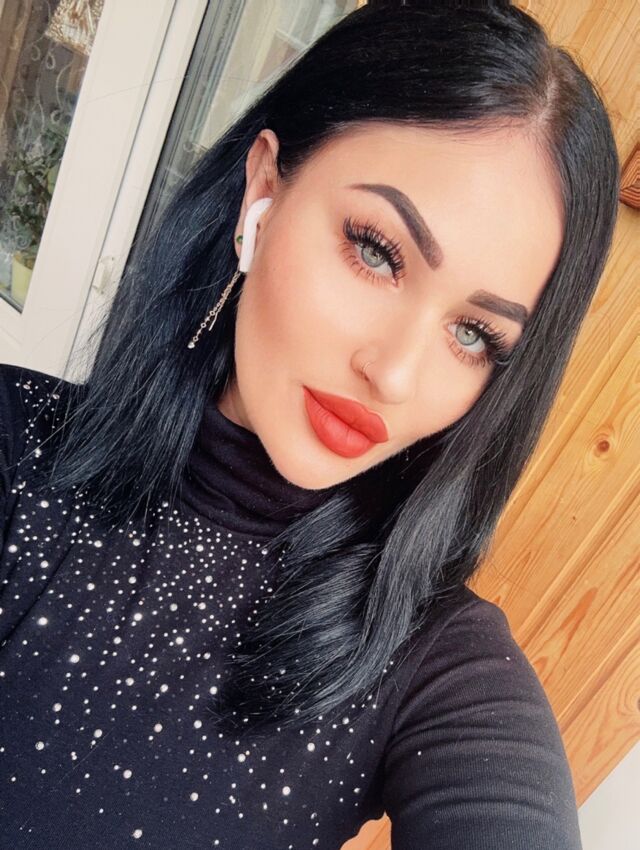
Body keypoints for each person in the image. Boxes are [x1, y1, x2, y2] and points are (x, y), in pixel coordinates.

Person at [0, 1, 619, 848]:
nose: (394, 374)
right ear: (263, 190)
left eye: (474, 335)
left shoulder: (440, 667)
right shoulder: (19, 449)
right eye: (376, 250)